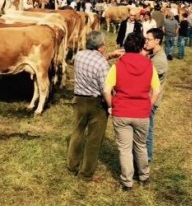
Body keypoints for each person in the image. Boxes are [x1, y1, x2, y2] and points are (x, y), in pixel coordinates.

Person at [104, 33, 160, 191]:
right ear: (142, 46)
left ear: (125, 47)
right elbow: (156, 90)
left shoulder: (117, 66)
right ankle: (144, 175)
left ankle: (127, 181)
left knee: (124, 149)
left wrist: (111, 105)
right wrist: (148, 105)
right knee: (141, 145)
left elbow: (106, 90)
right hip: (142, 112)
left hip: (121, 111)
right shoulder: (150, 65)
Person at [67, 31, 120, 182]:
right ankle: (86, 173)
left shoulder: (79, 55)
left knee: (77, 133)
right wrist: (111, 105)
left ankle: (72, 165)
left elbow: (93, 60)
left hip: (79, 100)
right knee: (94, 140)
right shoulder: (102, 64)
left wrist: (109, 55)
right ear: (101, 47)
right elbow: (106, 89)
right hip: (96, 103)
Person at [143, 28, 167, 164]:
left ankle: (147, 158)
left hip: (151, 100)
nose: (145, 41)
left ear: (157, 41)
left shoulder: (159, 60)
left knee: (147, 131)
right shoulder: (153, 54)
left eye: (148, 39)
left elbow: (145, 77)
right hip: (147, 98)